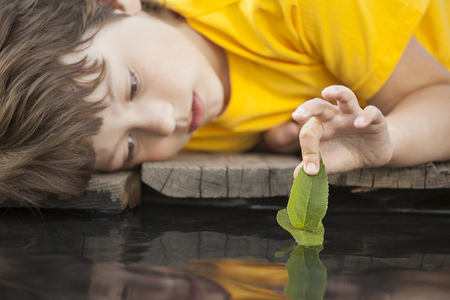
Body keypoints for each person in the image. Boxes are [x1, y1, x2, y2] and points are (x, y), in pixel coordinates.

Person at [1, 0, 450, 206]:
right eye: (130, 148)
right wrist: (271, 140)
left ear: (117, 4)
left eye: (133, 85)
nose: (162, 124)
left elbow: (441, 98)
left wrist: (392, 139)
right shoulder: (190, 112)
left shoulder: (300, 7)